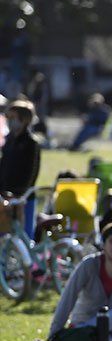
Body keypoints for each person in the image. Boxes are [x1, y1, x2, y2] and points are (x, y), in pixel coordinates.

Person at [0, 100, 41, 239]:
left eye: (13, 118)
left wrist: (19, 194)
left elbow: (31, 174)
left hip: (23, 198)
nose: (9, 121)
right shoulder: (9, 141)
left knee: (24, 235)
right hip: (5, 198)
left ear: (23, 120)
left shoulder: (31, 143)